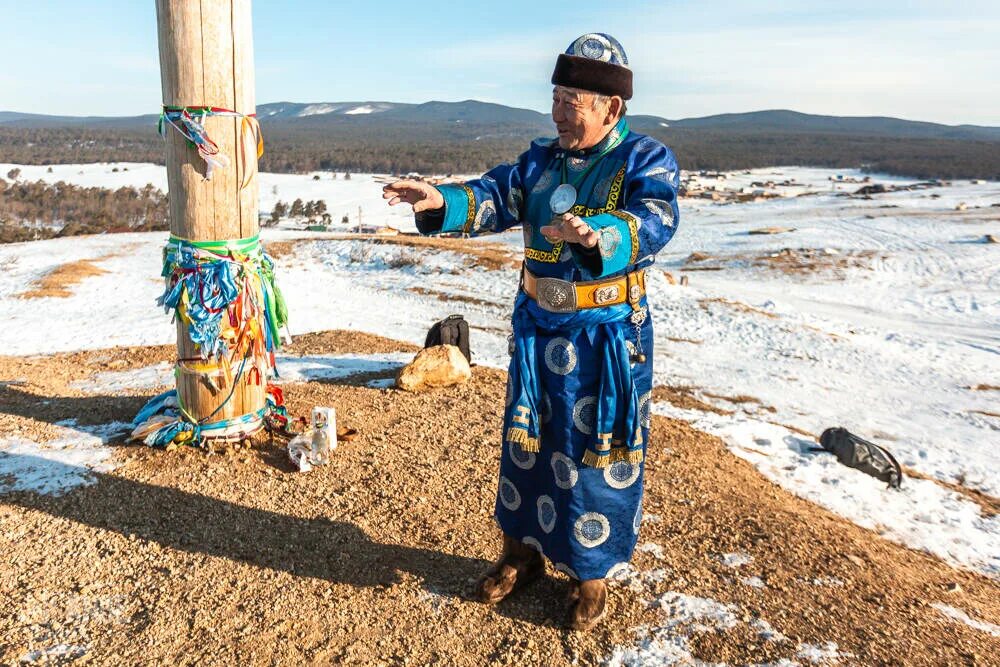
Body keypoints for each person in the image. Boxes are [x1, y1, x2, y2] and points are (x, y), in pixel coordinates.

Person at [383, 33, 680, 630]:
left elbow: (656, 217)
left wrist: (601, 236)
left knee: (592, 455)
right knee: (528, 442)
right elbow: (495, 196)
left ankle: (590, 576)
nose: (559, 109)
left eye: (573, 98)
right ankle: (522, 553)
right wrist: (438, 197)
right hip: (539, 330)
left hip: (605, 340)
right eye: (557, 94)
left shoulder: (645, 160)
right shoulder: (541, 161)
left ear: (610, 108)